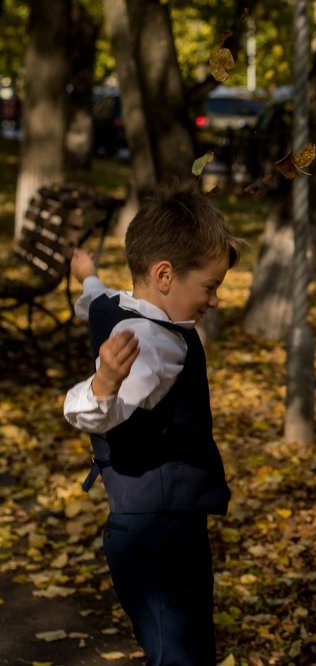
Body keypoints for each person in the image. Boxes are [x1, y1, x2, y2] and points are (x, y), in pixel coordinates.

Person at [63, 186, 244, 665]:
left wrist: (87, 276)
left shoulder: (119, 309)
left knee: (171, 649)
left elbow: (96, 302)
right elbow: (97, 411)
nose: (215, 301)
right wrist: (102, 383)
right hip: (162, 535)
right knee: (180, 656)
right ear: (164, 275)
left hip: (140, 524)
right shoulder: (157, 346)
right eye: (209, 286)